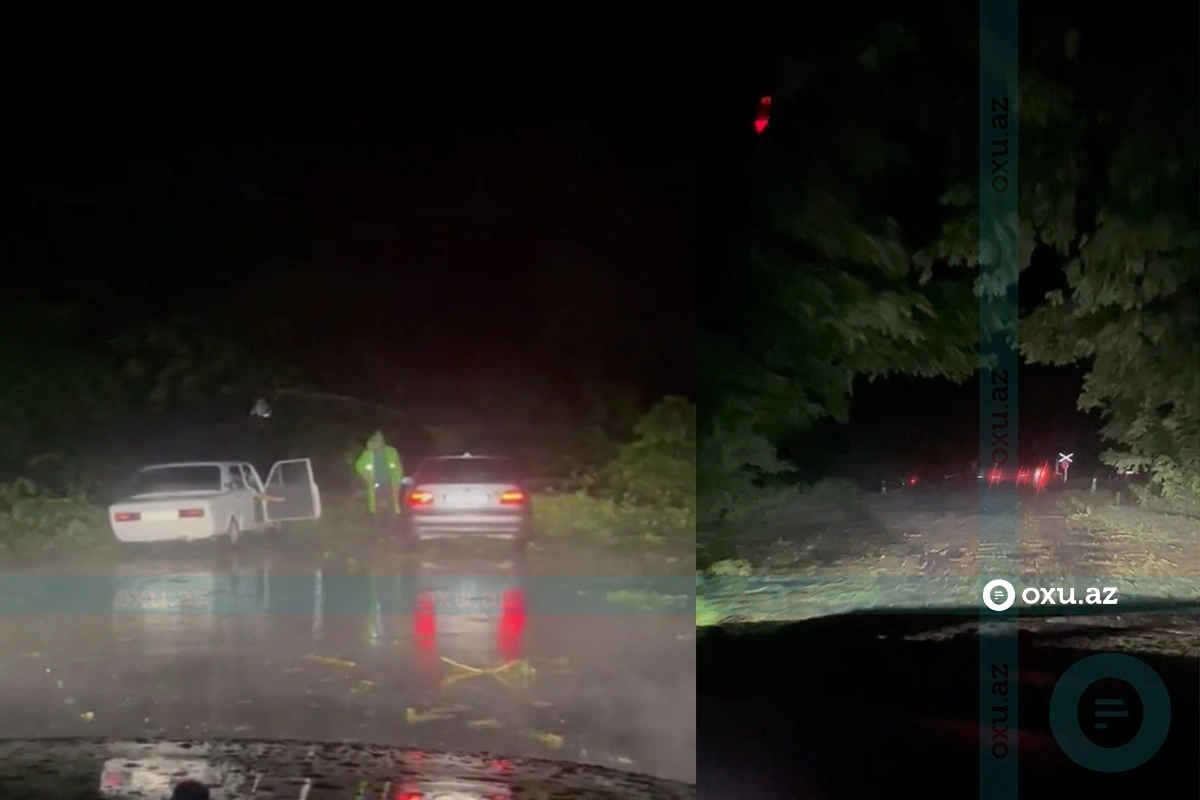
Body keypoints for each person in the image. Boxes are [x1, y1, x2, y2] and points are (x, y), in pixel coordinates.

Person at [354, 430, 404, 535]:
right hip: (375, 486)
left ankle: (393, 533)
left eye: (379, 439)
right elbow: (358, 465)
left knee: (392, 509)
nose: (377, 442)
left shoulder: (391, 451)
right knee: (378, 511)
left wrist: (397, 481)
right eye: (374, 440)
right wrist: (365, 476)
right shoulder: (367, 454)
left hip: (390, 484)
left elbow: (398, 467)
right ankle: (380, 534)